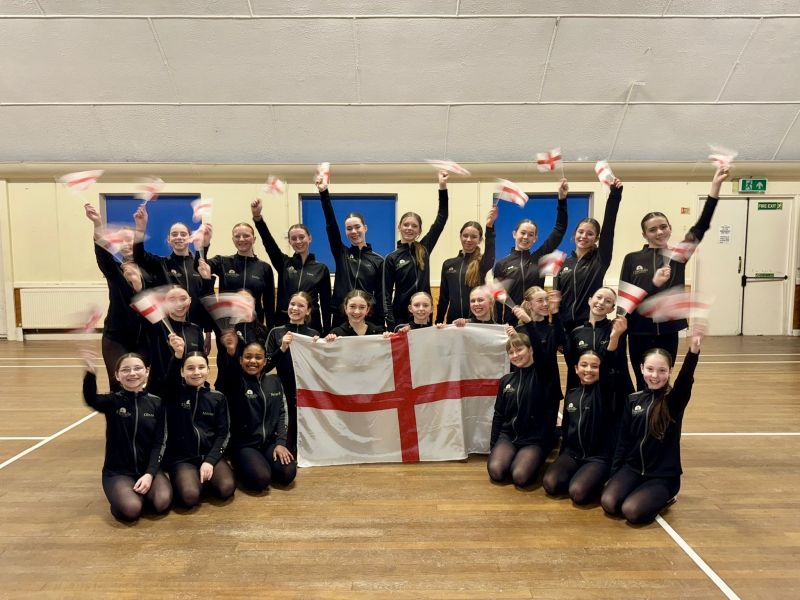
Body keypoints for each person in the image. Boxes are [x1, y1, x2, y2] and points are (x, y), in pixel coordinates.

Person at [619, 166, 728, 390]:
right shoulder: (631, 259)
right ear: (644, 234)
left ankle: (662, 412)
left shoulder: (677, 256)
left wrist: (715, 188)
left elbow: (701, 226)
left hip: (668, 331)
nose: (659, 232)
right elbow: (625, 301)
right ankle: (641, 413)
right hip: (639, 331)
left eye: (663, 227)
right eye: (652, 230)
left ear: (670, 228)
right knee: (642, 379)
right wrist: (653, 283)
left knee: (662, 380)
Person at [601, 332, 703, 524]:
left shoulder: (673, 401)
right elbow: (623, 442)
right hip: (633, 468)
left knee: (631, 512)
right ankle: (638, 491)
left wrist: (693, 351)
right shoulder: (633, 400)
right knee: (609, 503)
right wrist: (614, 476)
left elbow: (685, 379)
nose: (655, 376)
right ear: (641, 368)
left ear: (670, 371)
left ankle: (666, 497)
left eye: (662, 370)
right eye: (650, 369)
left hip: (662, 475)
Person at [542, 317, 627, 504]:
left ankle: (598, 476)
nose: (589, 370)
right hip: (573, 453)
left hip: (598, 457)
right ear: (576, 368)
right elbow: (566, 428)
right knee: (550, 484)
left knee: (578, 493)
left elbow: (610, 364)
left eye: (595, 366)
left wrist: (614, 338)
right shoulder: (572, 394)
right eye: (584, 365)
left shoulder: (605, 391)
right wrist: (562, 455)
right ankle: (581, 475)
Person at [82, 351, 171, 521]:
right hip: (118, 471)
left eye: (137, 368)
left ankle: (140, 491)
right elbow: (91, 399)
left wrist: (150, 473)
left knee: (162, 503)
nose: (132, 373)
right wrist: (90, 373)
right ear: (117, 375)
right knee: (132, 509)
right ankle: (123, 499)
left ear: (147, 371)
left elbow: (160, 442)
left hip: (148, 468)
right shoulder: (112, 401)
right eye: (125, 370)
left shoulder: (157, 403)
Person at [84, 203, 151, 389]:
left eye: (131, 240)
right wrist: (97, 223)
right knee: (118, 383)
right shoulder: (114, 270)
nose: (127, 244)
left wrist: (139, 286)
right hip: (116, 336)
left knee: (142, 383)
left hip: (145, 337)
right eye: (122, 240)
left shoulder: (152, 269)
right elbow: (102, 255)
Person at [133, 204, 214, 350]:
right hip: (168, 331)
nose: (179, 237)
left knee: (194, 364)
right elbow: (139, 257)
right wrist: (140, 228)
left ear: (190, 238)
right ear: (168, 240)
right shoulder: (161, 264)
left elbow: (206, 298)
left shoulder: (199, 266)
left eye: (183, 234)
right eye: (174, 234)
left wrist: (208, 332)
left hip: (194, 330)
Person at [221, 337, 297, 492]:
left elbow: (282, 413)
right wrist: (231, 353)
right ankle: (240, 463)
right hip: (244, 445)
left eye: (258, 357)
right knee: (261, 479)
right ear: (241, 360)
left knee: (288, 473)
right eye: (248, 357)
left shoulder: (274, 381)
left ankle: (261, 462)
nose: (252, 361)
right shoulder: (235, 382)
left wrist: (280, 443)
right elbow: (229, 371)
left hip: (268, 442)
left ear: (265, 361)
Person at [162, 349, 235, 508]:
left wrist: (210, 461)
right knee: (190, 496)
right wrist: (177, 356)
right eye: (190, 368)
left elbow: (223, 434)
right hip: (183, 458)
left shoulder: (217, 398)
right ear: (182, 372)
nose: (196, 372)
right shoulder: (173, 394)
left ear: (208, 370)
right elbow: (170, 379)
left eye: (201, 367)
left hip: (208, 454)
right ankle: (190, 480)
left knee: (226, 488)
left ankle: (202, 477)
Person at [487, 326, 558, 488]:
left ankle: (544, 448)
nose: (515, 355)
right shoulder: (506, 380)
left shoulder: (544, 375)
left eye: (519, 350)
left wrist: (528, 323)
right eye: (511, 352)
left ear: (531, 350)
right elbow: (498, 415)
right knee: (496, 471)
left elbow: (543, 352)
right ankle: (512, 456)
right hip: (509, 436)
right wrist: (494, 446)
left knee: (520, 476)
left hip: (535, 439)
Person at [492, 179, 569, 323]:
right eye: (523, 233)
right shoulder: (502, 264)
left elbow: (560, 229)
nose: (526, 237)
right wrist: (498, 325)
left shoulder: (539, 257)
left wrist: (562, 199)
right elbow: (498, 299)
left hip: (537, 321)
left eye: (531, 234)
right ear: (514, 234)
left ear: (535, 239)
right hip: (512, 323)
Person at [251, 198, 332, 333]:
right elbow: (269, 243)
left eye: (301, 237)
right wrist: (258, 218)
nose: (298, 241)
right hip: (284, 323)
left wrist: (327, 330)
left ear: (310, 238)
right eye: (293, 239)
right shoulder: (283, 263)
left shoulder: (321, 269)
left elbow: (326, 304)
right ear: (289, 242)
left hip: (311, 326)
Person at [555, 177, 624, 334]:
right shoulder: (564, 263)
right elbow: (557, 298)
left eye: (590, 234)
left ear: (596, 239)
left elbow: (608, 228)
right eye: (580, 232)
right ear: (574, 234)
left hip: (589, 325)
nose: (584, 236)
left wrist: (614, 196)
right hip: (565, 327)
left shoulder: (600, 260)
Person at [382, 171, 449, 330]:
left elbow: (442, 218)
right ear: (399, 227)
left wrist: (442, 187)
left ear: (419, 230)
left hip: (424, 314)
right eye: (406, 225)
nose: (409, 228)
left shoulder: (424, 248)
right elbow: (386, 295)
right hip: (400, 316)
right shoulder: (391, 258)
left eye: (414, 226)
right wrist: (391, 324)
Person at [317, 176, 385, 328]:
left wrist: (381, 326)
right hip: (341, 317)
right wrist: (324, 193)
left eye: (357, 227)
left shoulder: (379, 261)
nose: (354, 231)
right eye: (349, 229)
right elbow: (331, 225)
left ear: (365, 228)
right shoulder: (342, 253)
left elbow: (381, 296)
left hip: (367, 318)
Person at [265, 292, 320, 453]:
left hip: (305, 390)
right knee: (287, 439)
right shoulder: (276, 332)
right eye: (292, 304)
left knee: (306, 437)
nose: (295, 308)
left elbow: (320, 367)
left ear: (308, 311)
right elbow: (266, 366)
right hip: (283, 390)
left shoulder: (313, 334)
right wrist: (282, 348)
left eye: (301, 305)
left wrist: (320, 347)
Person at [202, 221, 276, 328]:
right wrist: (204, 245)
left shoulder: (264, 268)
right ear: (233, 240)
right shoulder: (222, 262)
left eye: (246, 236)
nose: (241, 239)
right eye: (237, 236)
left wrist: (270, 331)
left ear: (254, 239)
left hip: (254, 326)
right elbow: (200, 267)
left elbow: (269, 304)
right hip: (227, 327)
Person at [564, 286, 633, 396]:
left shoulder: (617, 329)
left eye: (608, 301)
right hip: (584, 393)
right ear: (590, 300)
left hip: (610, 393)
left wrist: (615, 336)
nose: (601, 302)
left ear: (612, 309)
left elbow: (616, 363)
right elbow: (572, 367)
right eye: (599, 297)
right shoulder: (576, 333)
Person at [436, 207, 498, 323]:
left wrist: (489, 228)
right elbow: (443, 298)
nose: (468, 239)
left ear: (480, 240)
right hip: (453, 322)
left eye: (474, 237)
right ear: (460, 236)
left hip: (475, 322)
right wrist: (438, 321)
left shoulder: (482, 263)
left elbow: (490, 252)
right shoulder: (448, 264)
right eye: (465, 235)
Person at [143, 286, 205, 400]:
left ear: (190, 300)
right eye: (172, 300)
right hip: (159, 392)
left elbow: (201, 360)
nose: (178, 303)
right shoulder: (156, 326)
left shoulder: (196, 329)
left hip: (187, 393)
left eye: (183, 299)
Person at [510, 287, 566, 410]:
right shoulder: (519, 330)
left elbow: (562, 342)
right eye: (540, 300)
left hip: (549, 389)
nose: (545, 304)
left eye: (547, 299)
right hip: (526, 388)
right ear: (529, 305)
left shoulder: (552, 328)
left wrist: (555, 312)